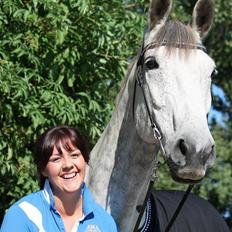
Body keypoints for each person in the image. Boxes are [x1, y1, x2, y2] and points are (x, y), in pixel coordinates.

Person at [0, 125, 118, 232]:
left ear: (85, 160)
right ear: (43, 169)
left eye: (74, 155)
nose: (68, 165)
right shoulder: (22, 215)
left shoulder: (105, 222)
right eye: (56, 159)